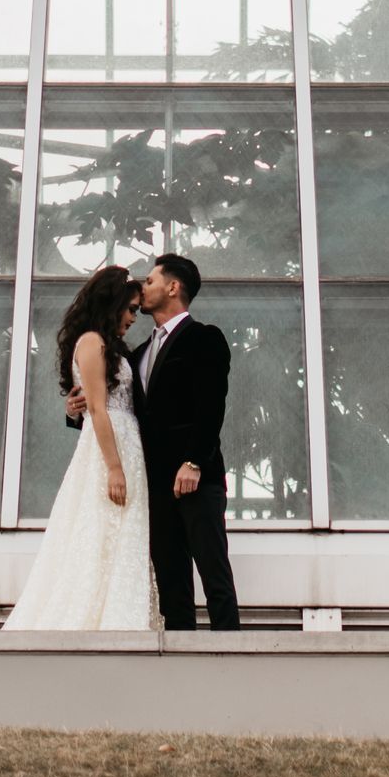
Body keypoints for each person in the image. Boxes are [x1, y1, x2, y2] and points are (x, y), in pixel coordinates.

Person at [87, 254, 241, 633]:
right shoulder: (136, 354)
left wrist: (193, 462)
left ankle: (234, 654)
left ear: (173, 288)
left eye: (151, 280)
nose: (143, 287)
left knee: (213, 570)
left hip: (196, 479)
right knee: (172, 580)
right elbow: (119, 411)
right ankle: (180, 661)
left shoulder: (205, 338)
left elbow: (211, 406)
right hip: (155, 485)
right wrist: (76, 410)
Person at [2, 267, 156, 632]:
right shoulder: (91, 342)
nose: (134, 317)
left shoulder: (110, 345)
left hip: (127, 445)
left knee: (121, 534)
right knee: (101, 528)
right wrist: (115, 468)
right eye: (131, 309)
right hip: (110, 450)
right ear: (112, 302)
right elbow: (99, 408)